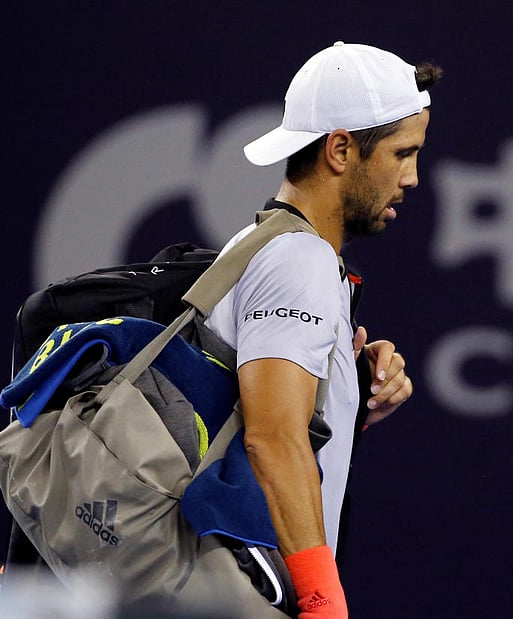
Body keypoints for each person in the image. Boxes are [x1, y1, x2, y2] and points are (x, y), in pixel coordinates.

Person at [204, 41, 442, 618]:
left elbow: (262, 421)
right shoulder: (297, 261)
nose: (412, 178)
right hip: (248, 595)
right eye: (402, 154)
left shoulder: (273, 247)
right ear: (340, 150)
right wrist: (322, 600)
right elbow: (273, 439)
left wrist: (349, 398)